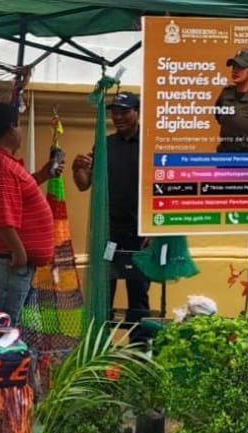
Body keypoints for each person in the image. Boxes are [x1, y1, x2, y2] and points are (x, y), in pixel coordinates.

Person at [0, 102, 58, 327]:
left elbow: (12, 197)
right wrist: (19, 254)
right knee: (0, 332)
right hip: (5, 264)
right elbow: (0, 217)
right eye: (19, 127)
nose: (20, 133)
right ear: (11, 130)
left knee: (4, 329)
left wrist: (41, 175)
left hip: (3, 264)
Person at [72, 91, 150, 324]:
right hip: (109, 234)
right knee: (104, 292)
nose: (118, 117)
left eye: (124, 112)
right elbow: (84, 184)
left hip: (139, 236)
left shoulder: (149, 145)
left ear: (137, 112)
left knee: (138, 294)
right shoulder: (106, 145)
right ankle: (102, 340)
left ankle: (139, 342)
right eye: (114, 112)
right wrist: (78, 169)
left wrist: (154, 230)